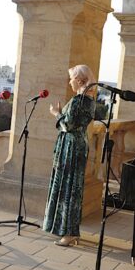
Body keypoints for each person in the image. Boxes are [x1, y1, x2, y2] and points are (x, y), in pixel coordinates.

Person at [43, 64, 98, 247]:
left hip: (71, 147)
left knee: (68, 188)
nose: (70, 82)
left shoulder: (78, 101)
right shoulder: (90, 100)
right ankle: (71, 231)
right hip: (79, 144)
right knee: (73, 188)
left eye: (72, 78)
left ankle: (68, 233)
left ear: (81, 80)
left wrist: (56, 113)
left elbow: (68, 125)